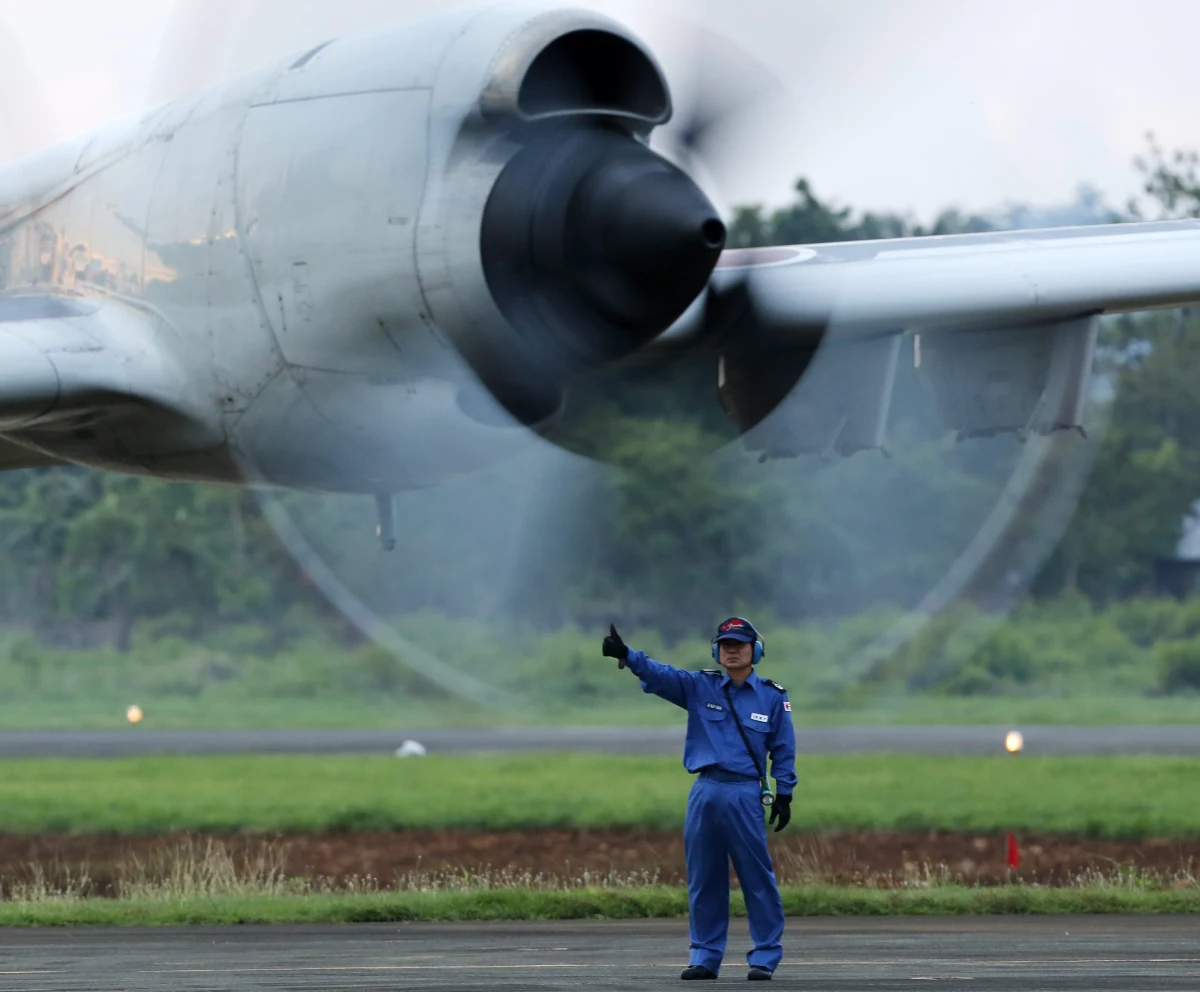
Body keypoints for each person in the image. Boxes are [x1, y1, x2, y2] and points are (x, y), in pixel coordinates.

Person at [602, 617, 796, 982]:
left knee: (757, 877)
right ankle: (705, 956)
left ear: (756, 650)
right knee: (704, 878)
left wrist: (785, 791)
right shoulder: (699, 686)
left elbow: (783, 749)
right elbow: (662, 675)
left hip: (744, 793)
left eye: (740, 644)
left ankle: (765, 956)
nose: (732, 650)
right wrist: (628, 655)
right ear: (716, 650)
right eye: (725, 644)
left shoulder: (772, 696)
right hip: (705, 790)